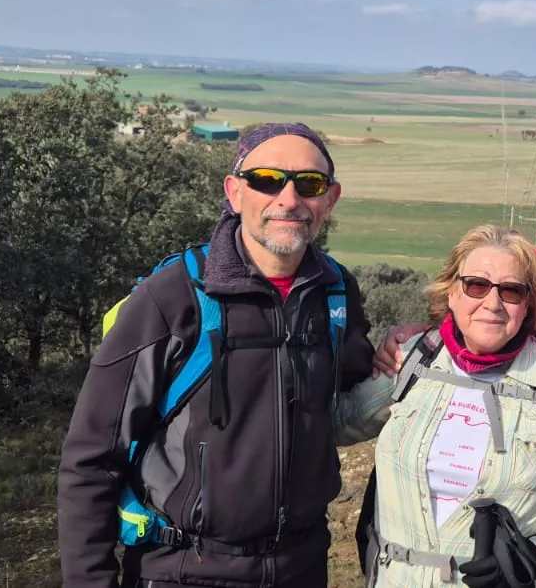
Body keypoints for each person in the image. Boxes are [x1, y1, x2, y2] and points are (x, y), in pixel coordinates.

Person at [57, 123, 400, 588]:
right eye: (266, 179)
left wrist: (400, 352)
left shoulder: (335, 292)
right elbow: (92, 457)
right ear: (235, 192)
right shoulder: (175, 295)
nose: (289, 198)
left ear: (330, 199)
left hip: (301, 567)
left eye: (310, 184)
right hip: (185, 569)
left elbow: (341, 395)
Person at [336, 224, 536, 587]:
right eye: (476, 285)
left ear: (528, 305)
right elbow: (338, 422)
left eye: (511, 291)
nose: (492, 304)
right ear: (451, 292)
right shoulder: (415, 358)